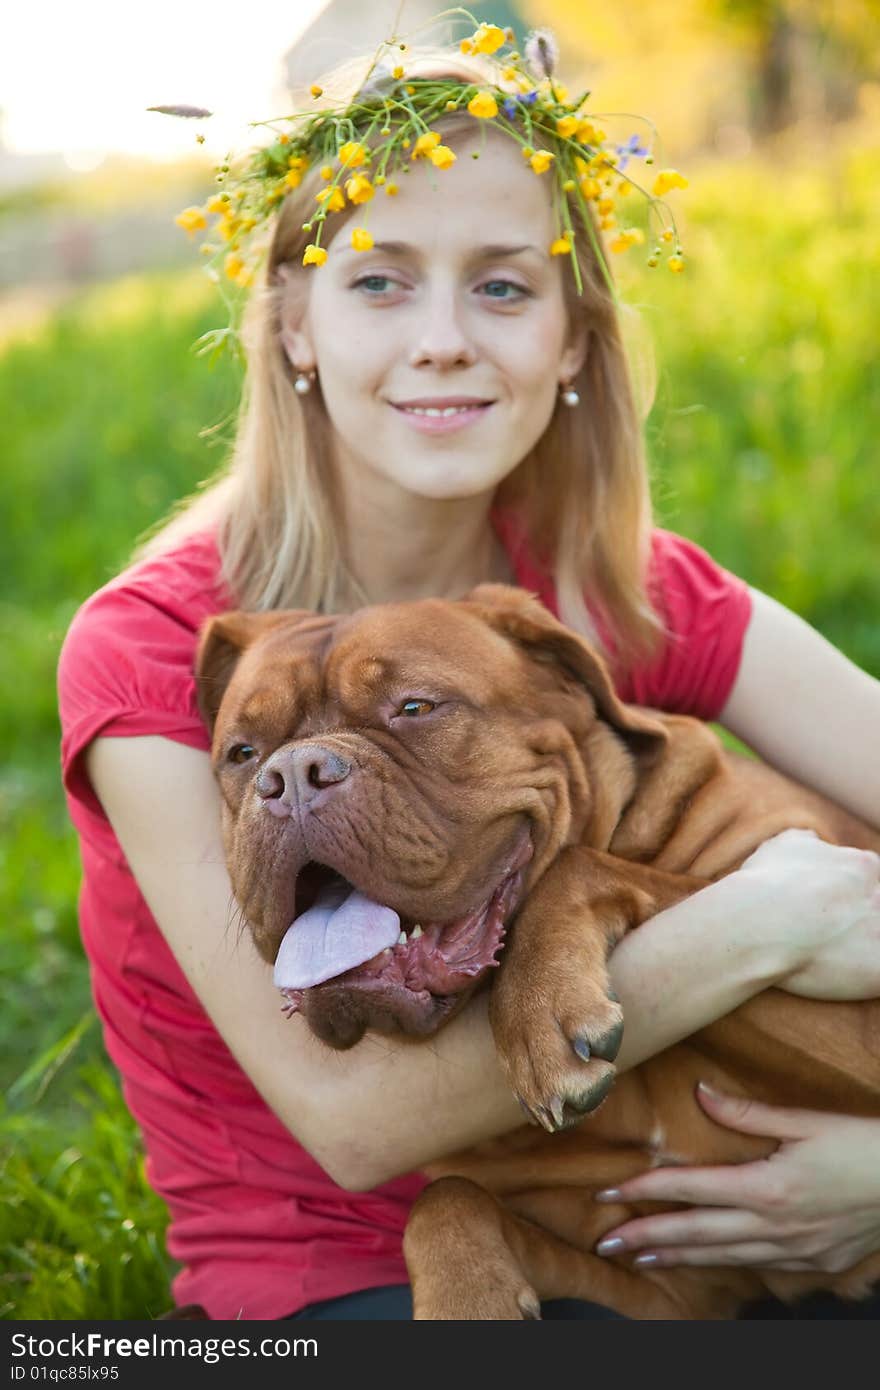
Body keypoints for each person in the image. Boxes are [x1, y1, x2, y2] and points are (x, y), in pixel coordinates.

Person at [56, 25, 880, 1321]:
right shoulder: (151, 649)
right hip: (345, 1277)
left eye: (501, 286)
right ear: (292, 327)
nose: (443, 338)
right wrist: (780, 917)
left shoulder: (615, 586)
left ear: (571, 345)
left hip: (708, 1228)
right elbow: (352, 1121)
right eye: (379, 282)